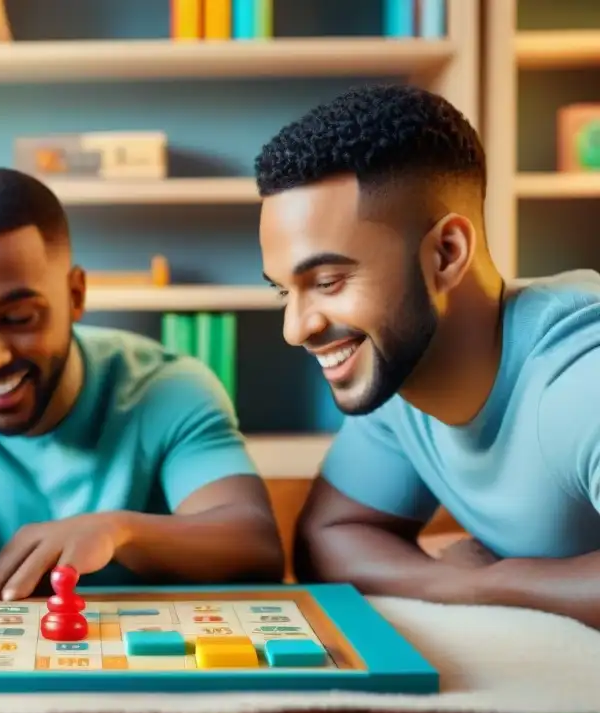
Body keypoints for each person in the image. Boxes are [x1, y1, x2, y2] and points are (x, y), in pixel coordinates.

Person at [256, 83, 600, 629]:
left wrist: (502, 581)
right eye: (284, 290)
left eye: (327, 281)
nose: (296, 329)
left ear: (446, 254)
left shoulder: (582, 379)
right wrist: (466, 584)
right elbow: (329, 538)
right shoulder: (403, 376)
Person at [0, 167, 284, 600]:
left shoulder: (169, 389)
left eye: (19, 319)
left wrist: (120, 531)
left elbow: (255, 547)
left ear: (75, 294)